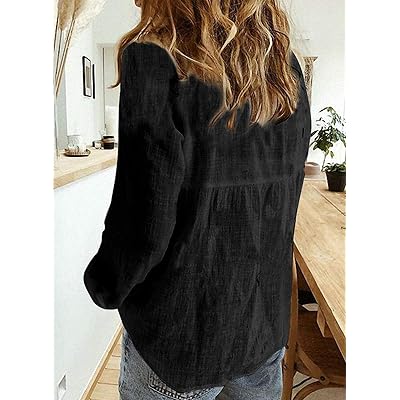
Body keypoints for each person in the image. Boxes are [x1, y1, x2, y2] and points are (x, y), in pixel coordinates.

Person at [84, 0, 311, 399]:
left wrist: (105, 283)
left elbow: (142, 221)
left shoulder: (155, 59)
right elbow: (285, 198)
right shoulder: (284, 68)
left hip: (181, 338)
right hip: (261, 330)